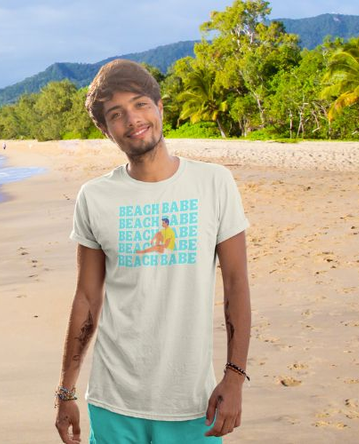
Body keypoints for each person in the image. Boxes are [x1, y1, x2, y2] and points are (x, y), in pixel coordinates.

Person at [53, 59, 252, 443]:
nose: (132, 119)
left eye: (140, 104)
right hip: (113, 402)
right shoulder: (95, 197)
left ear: (160, 107)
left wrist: (235, 376)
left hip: (193, 404)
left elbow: (236, 284)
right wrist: (66, 391)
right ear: (106, 129)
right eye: (116, 114)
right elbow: (87, 299)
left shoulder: (214, 183)